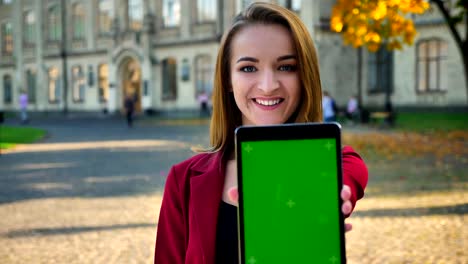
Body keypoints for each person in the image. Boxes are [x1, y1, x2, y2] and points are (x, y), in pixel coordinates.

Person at [154, 3, 368, 263]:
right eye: (248, 68)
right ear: (228, 81)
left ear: (305, 76)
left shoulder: (334, 162)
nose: (268, 86)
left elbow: (346, 179)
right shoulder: (183, 180)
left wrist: (326, 199)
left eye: (287, 67)